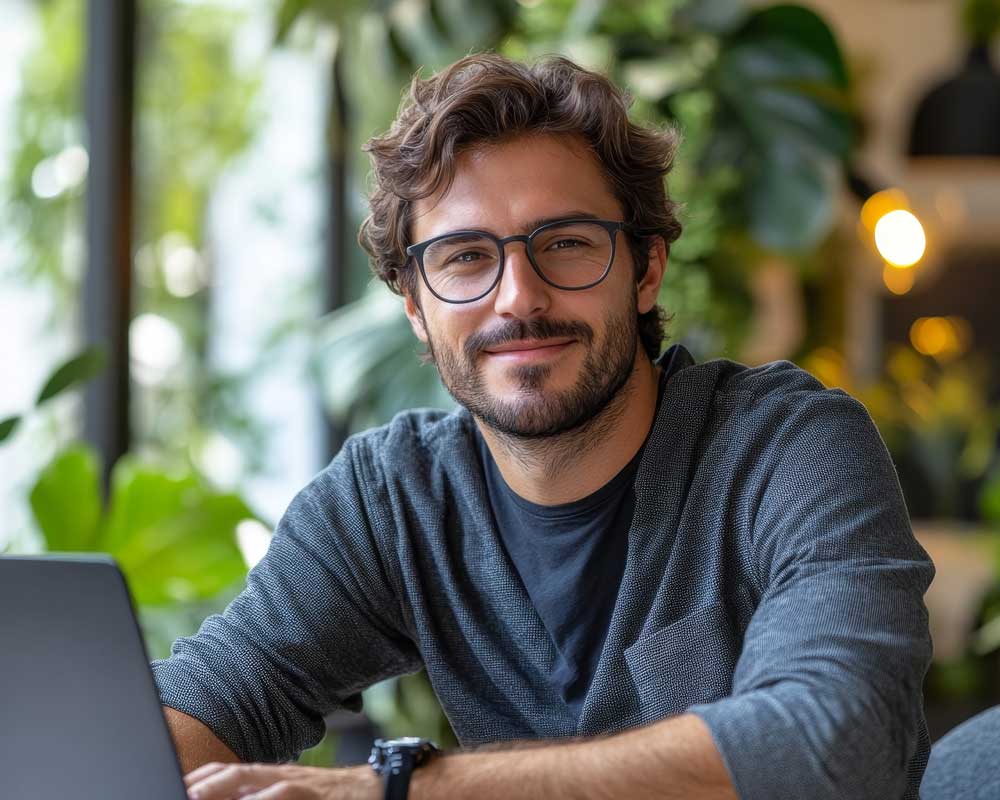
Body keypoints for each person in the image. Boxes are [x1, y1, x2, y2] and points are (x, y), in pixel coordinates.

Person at [155, 53, 935, 800]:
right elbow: (208, 703)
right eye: (464, 257)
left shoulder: (786, 450)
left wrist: (406, 789)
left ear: (646, 269)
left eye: (564, 244)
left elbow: (836, 741)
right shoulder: (393, 501)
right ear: (415, 310)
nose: (518, 298)